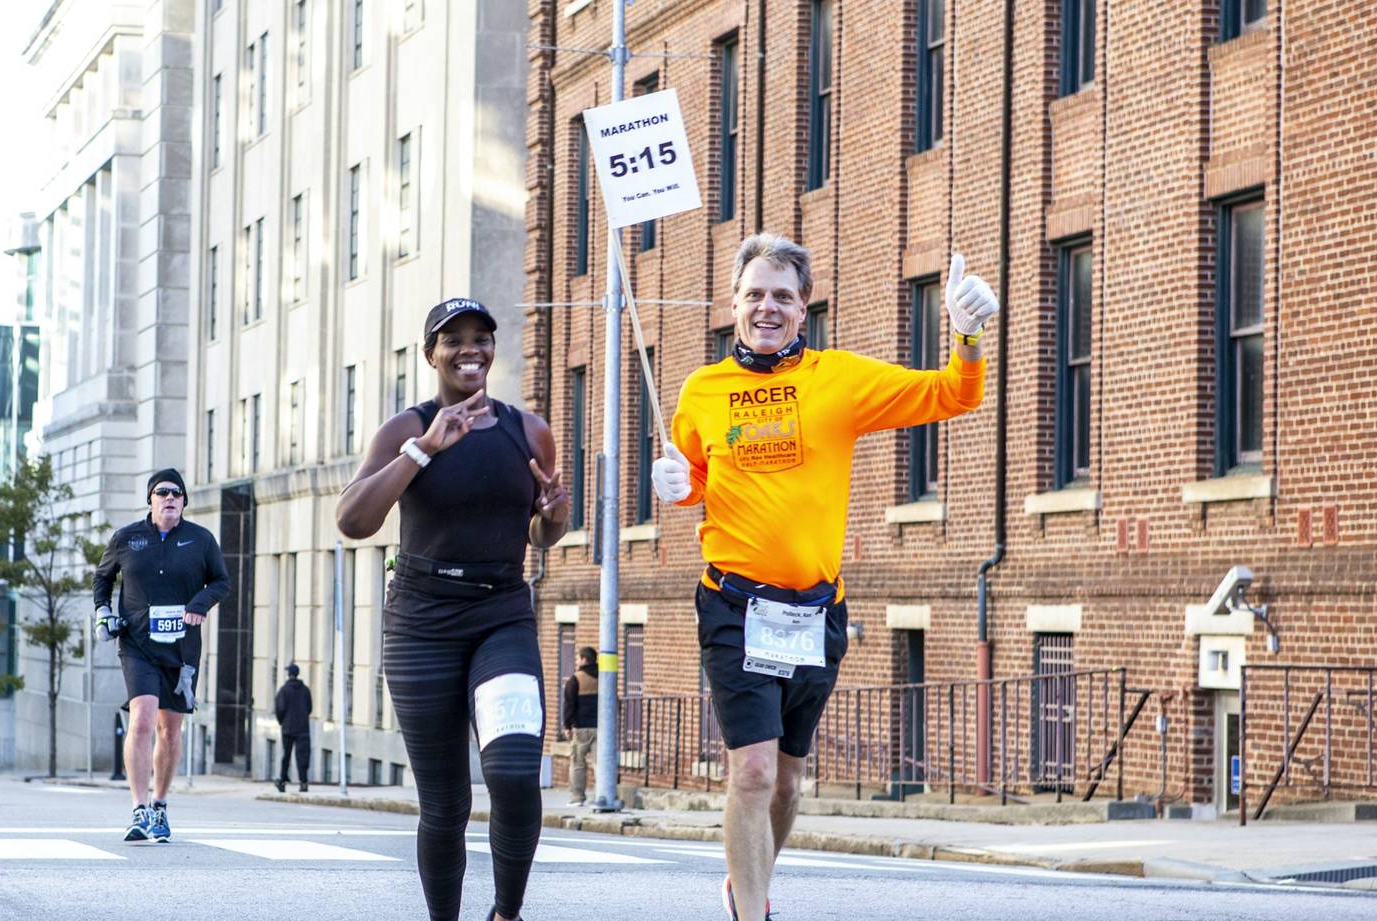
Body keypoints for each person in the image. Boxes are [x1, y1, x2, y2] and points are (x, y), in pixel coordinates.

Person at [651, 235, 995, 921]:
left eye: (782, 296)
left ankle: (748, 880)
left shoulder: (836, 378)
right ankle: (754, 912)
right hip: (734, 605)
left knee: (786, 782)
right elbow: (695, 478)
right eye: (754, 294)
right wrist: (676, 487)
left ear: (803, 308)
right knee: (752, 770)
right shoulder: (702, 390)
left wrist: (965, 334)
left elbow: (953, 395)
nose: (767, 307)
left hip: (813, 612)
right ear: (733, 304)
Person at [335, 298, 570, 921]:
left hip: (501, 615)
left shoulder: (529, 431)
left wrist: (553, 515)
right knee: (445, 803)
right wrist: (423, 451)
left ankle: (506, 914)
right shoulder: (405, 429)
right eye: (454, 339)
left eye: (481, 338)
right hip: (422, 621)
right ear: (430, 354)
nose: (471, 349)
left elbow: (540, 534)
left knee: (514, 771)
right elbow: (352, 521)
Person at [93, 468, 231, 844]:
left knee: (169, 731)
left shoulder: (201, 540)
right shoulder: (127, 538)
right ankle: (138, 809)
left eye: (176, 493)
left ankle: (160, 805)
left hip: (182, 648)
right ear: (150, 500)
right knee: (141, 718)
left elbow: (221, 581)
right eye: (162, 492)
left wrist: (200, 603)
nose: (170, 498)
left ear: (184, 501)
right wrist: (103, 611)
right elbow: (102, 577)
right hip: (137, 644)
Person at [560, 646, 600, 807]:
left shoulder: (575, 679)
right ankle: (602, 795)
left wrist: (567, 725)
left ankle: (578, 797)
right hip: (601, 728)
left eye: (578, 658)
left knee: (577, 763)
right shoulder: (605, 677)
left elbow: (569, 704)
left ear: (584, 659)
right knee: (600, 764)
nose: (576, 661)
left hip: (581, 728)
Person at [273, 663, 313, 794]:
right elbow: (309, 708)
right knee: (302, 756)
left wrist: (282, 721)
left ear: (289, 675)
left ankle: (282, 781)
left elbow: (279, 709)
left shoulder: (284, 690)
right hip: (302, 728)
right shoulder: (305, 690)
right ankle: (303, 782)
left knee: (286, 756)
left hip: (288, 728)